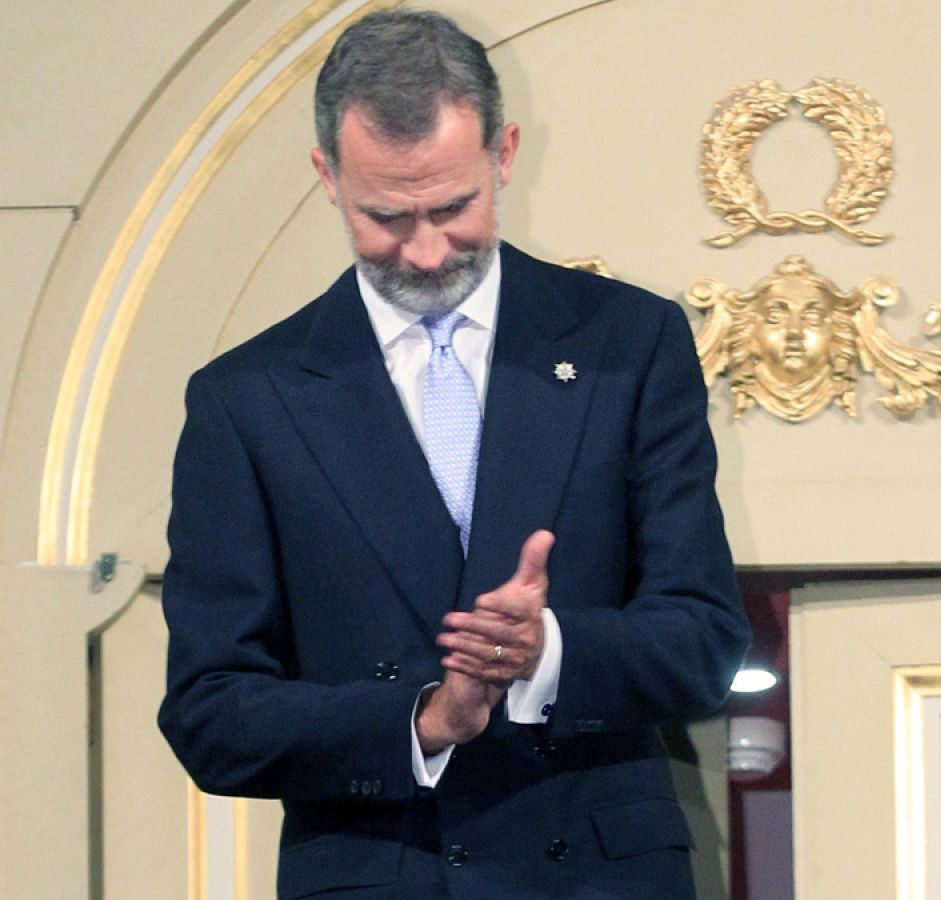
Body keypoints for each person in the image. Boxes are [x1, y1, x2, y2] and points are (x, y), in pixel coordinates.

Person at [156, 9, 749, 898]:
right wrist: (424, 719)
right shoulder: (247, 399)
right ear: (326, 175)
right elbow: (210, 710)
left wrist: (544, 653)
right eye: (387, 217)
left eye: (453, 207)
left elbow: (704, 640)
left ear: (504, 153)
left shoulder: (632, 344)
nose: (427, 250)